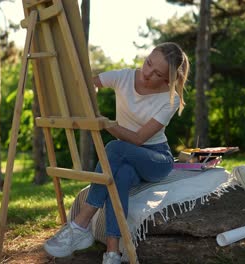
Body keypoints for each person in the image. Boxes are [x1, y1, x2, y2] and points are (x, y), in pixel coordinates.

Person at [44, 42, 190, 264]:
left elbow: (139, 139)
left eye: (156, 72)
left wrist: (106, 124)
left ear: (167, 80)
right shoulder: (123, 77)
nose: (147, 73)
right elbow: (89, 84)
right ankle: (113, 253)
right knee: (119, 177)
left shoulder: (171, 99)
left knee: (114, 147)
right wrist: (89, 96)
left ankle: (80, 224)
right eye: (148, 63)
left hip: (155, 158)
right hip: (125, 157)